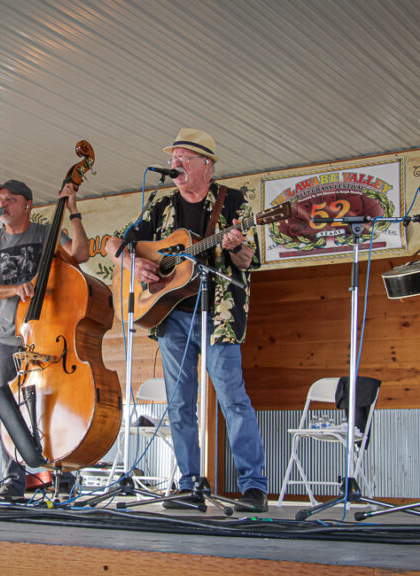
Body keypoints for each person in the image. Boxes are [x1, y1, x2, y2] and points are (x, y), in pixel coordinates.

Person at [105, 128, 268, 513]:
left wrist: (238, 245)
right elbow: (113, 243)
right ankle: (189, 483)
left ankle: (254, 487)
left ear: (206, 166)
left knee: (232, 399)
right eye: (174, 157)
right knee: (179, 404)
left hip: (219, 316)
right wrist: (134, 262)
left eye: (184, 158)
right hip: (170, 315)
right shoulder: (159, 207)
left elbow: (250, 261)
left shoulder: (235, 203)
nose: (175, 164)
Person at [0, 179, 90, 500]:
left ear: (28, 205)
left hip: (49, 337)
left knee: (56, 405)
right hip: (7, 337)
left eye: (10, 199)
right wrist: (17, 288)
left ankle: (62, 474)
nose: (3, 205)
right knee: (8, 409)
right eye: (0, 200)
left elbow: (80, 254)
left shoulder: (46, 235)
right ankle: (11, 479)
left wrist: (73, 211)